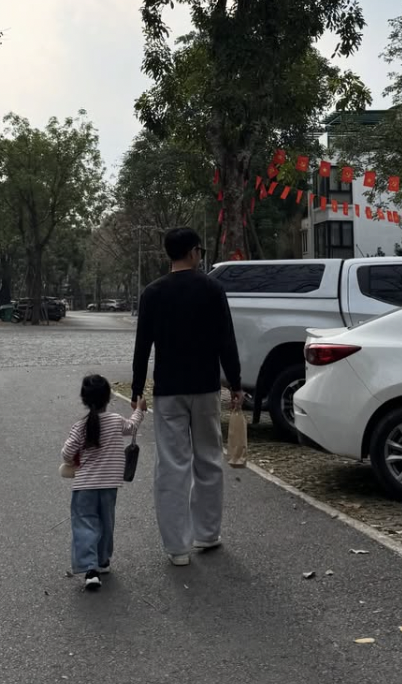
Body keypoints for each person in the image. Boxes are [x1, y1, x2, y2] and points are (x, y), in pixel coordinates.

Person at [132, 227, 243, 566]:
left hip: (168, 390)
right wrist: (235, 383)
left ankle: (177, 547)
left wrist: (137, 389)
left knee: (171, 465)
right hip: (206, 387)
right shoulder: (212, 289)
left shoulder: (153, 293)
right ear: (194, 252)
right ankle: (207, 533)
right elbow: (226, 339)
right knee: (208, 459)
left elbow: (142, 345)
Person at [61, 374, 146, 590]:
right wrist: (139, 409)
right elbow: (132, 427)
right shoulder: (116, 421)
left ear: (84, 399)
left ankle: (90, 570)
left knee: (85, 525)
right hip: (109, 486)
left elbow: (67, 453)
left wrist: (72, 460)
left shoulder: (80, 427)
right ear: (108, 398)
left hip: (84, 488)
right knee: (106, 523)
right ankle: (103, 560)